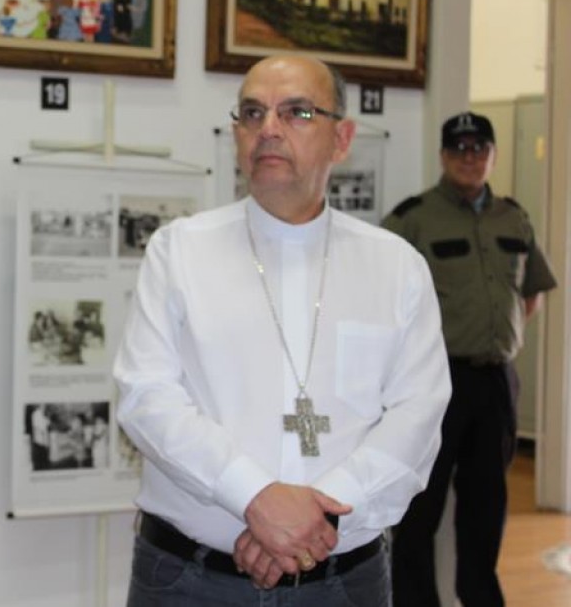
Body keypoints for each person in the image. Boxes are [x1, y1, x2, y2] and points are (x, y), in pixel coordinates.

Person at [114, 54, 451, 605]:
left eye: (296, 112)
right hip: (188, 581)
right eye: (252, 112)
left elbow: (418, 416)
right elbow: (147, 399)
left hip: (343, 583)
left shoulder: (395, 267)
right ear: (236, 134)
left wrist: (318, 515)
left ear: (342, 139)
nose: (267, 129)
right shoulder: (179, 251)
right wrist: (255, 497)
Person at [383, 111, 557, 607]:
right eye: (460, 149)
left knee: (486, 507)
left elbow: (531, 294)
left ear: (492, 154)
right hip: (436, 383)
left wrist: (497, 335)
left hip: (496, 384)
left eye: (479, 148)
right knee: (421, 504)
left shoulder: (514, 217)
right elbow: (381, 298)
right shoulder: (413, 217)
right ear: (443, 156)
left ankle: (481, 597)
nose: (470, 158)